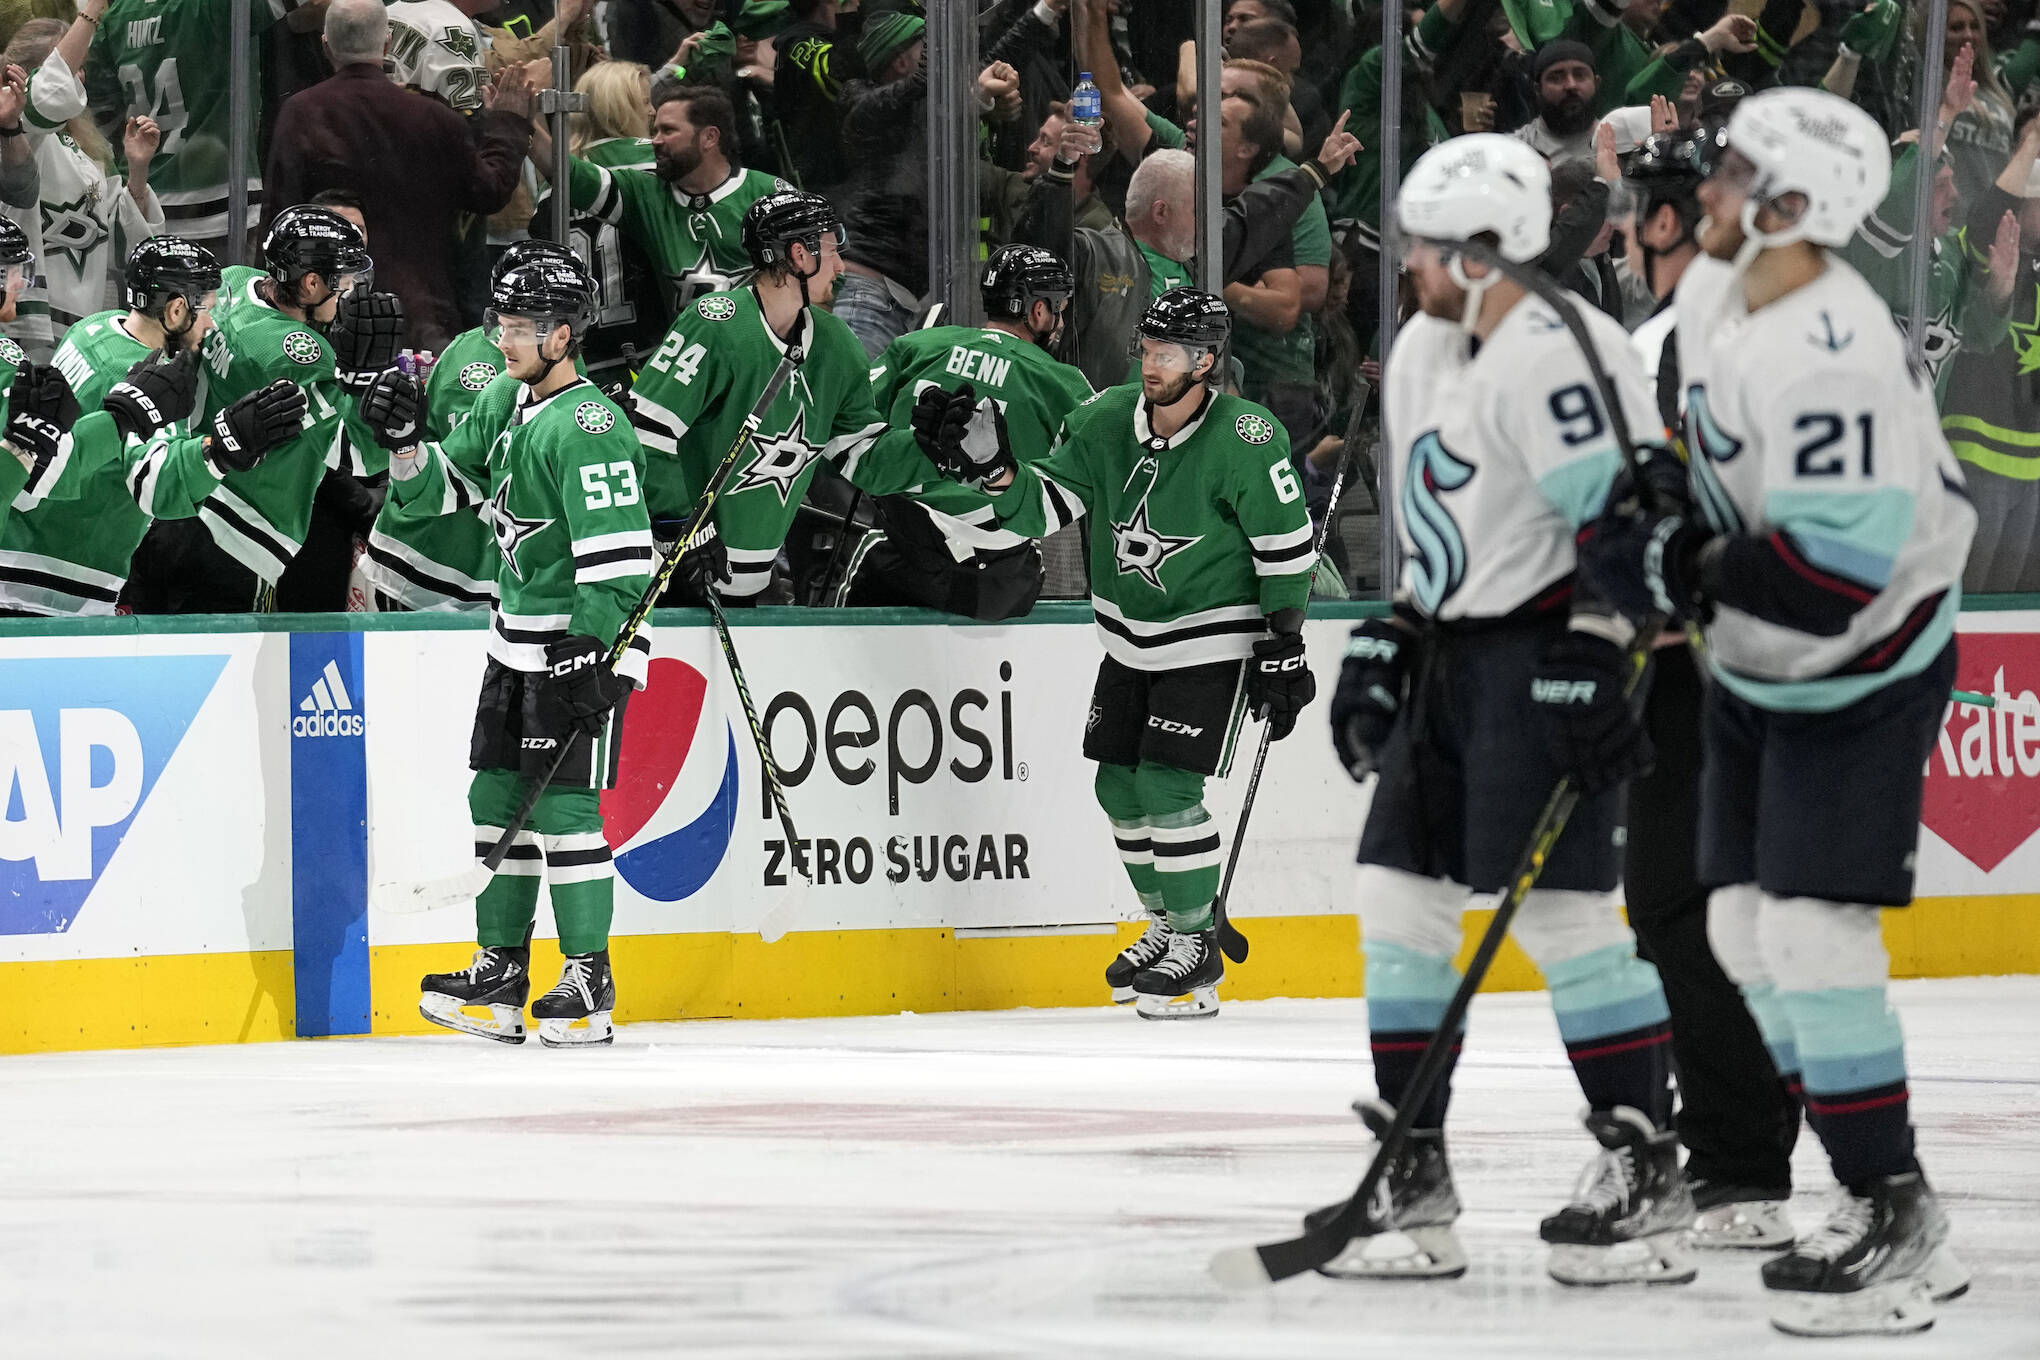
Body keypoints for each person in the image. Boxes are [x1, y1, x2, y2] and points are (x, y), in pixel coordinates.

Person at [1578, 87, 1976, 1336]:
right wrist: (1649, 514)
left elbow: (1830, 578)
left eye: (1738, 171)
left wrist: (1677, 569)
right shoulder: (1716, 288)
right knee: (1744, 930)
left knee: (1808, 931)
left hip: (1860, 666)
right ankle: (1881, 1195)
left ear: (1797, 207)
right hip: (1758, 664)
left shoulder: (1835, 353)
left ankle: (1887, 1201)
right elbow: (1686, 452)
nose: (1709, 185)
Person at [1325, 134, 1686, 1286]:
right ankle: (1415, 1165)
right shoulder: (1426, 344)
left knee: (1565, 916)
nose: (1406, 265)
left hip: (1545, 648)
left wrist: (1597, 649)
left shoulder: (1557, 349)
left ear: (1483, 253)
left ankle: (1645, 1166)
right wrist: (1396, 631)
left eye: (1424, 247)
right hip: (1454, 651)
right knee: (1399, 893)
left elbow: (1630, 523)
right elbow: (1448, 524)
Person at [919, 288, 1318, 1021]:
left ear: (1207, 360)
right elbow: (1047, 508)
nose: (1151, 363)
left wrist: (1285, 644)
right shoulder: (1105, 420)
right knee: (1117, 789)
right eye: (1146, 349)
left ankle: (1196, 948)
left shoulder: (1248, 437)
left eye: (1167, 353)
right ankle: (1169, 924)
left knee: (1168, 790)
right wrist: (997, 473)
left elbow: (1285, 549)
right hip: (1129, 638)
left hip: (1212, 636)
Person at [374, 251, 655, 1049]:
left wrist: (595, 649)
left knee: (565, 813)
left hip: (577, 647)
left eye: (522, 326)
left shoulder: (590, 427)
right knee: (494, 805)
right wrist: (404, 441)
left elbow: (620, 559)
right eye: (500, 320)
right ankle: (499, 974)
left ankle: (588, 977)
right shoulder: (507, 397)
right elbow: (438, 492)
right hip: (514, 644)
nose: (503, 338)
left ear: (565, 335)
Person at [1614, 123, 1807, 1252]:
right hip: (1756, 659)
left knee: (1687, 909)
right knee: (1712, 909)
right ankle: (1745, 1136)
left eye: (1642, 206)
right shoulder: (1788, 324)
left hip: (1716, 667)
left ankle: (1741, 1160)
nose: (1630, 230)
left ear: (1673, 218)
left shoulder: (1690, 339)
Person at [0, 238, 304, 616]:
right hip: (61, 578)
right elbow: (156, 486)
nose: (211, 324)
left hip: (14, 544)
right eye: (207, 311)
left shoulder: (95, 327)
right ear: (176, 310)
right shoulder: (155, 378)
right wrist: (223, 447)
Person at [627, 189, 883, 603]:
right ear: (800, 255)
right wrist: (680, 526)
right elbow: (645, 436)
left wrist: (932, 450)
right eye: (833, 251)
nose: (840, 265)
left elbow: (866, 455)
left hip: (754, 586)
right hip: (678, 576)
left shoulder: (836, 343)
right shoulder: (716, 324)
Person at [123, 206, 381, 612]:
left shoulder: (233, 281)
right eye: (342, 279)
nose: (349, 290)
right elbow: (358, 456)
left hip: (176, 502)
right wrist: (364, 379)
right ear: (312, 283)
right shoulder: (304, 355)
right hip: (242, 537)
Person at [829, 244, 1094, 619]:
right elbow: (1090, 482)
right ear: (1039, 310)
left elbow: (846, 435)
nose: (1061, 323)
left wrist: (917, 451)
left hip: (897, 558)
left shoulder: (916, 347)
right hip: (999, 584)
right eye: (1059, 310)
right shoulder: (1066, 385)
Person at [263, 0, 536, 352]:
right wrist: (508, 125)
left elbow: (279, 216)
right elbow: (489, 192)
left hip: (328, 312)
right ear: (388, 42)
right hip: (421, 315)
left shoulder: (301, 114)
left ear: (325, 43)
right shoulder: (433, 119)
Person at [362, 239, 583, 613]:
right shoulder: (485, 368)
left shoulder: (558, 365)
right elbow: (475, 468)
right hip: (429, 563)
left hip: (488, 577)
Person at [38, 0, 310, 255]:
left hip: (142, 201)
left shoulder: (118, 12)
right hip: (219, 200)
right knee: (222, 302)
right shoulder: (213, 6)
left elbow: (100, 110)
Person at [530, 78, 788, 327]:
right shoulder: (645, 193)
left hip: (768, 346)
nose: (655, 140)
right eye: (654, 130)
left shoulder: (769, 193)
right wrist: (524, 121)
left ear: (709, 137)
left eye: (668, 130)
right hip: (692, 354)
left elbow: (821, 273)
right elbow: (568, 173)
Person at [5, 18, 163, 344]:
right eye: (72, 65)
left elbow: (122, 246)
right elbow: (45, 98)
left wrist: (137, 169)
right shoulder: (20, 133)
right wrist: (91, 12)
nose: (80, 76)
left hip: (81, 324)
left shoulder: (87, 150)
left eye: (81, 67)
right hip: (26, 322)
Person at [1513, 41, 1602, 168]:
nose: (1571, 85)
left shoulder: (1622, 144)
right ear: (1538, 90)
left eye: (1580, 75)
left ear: (1596, 83)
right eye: (1556, 78)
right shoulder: (1516, 148)